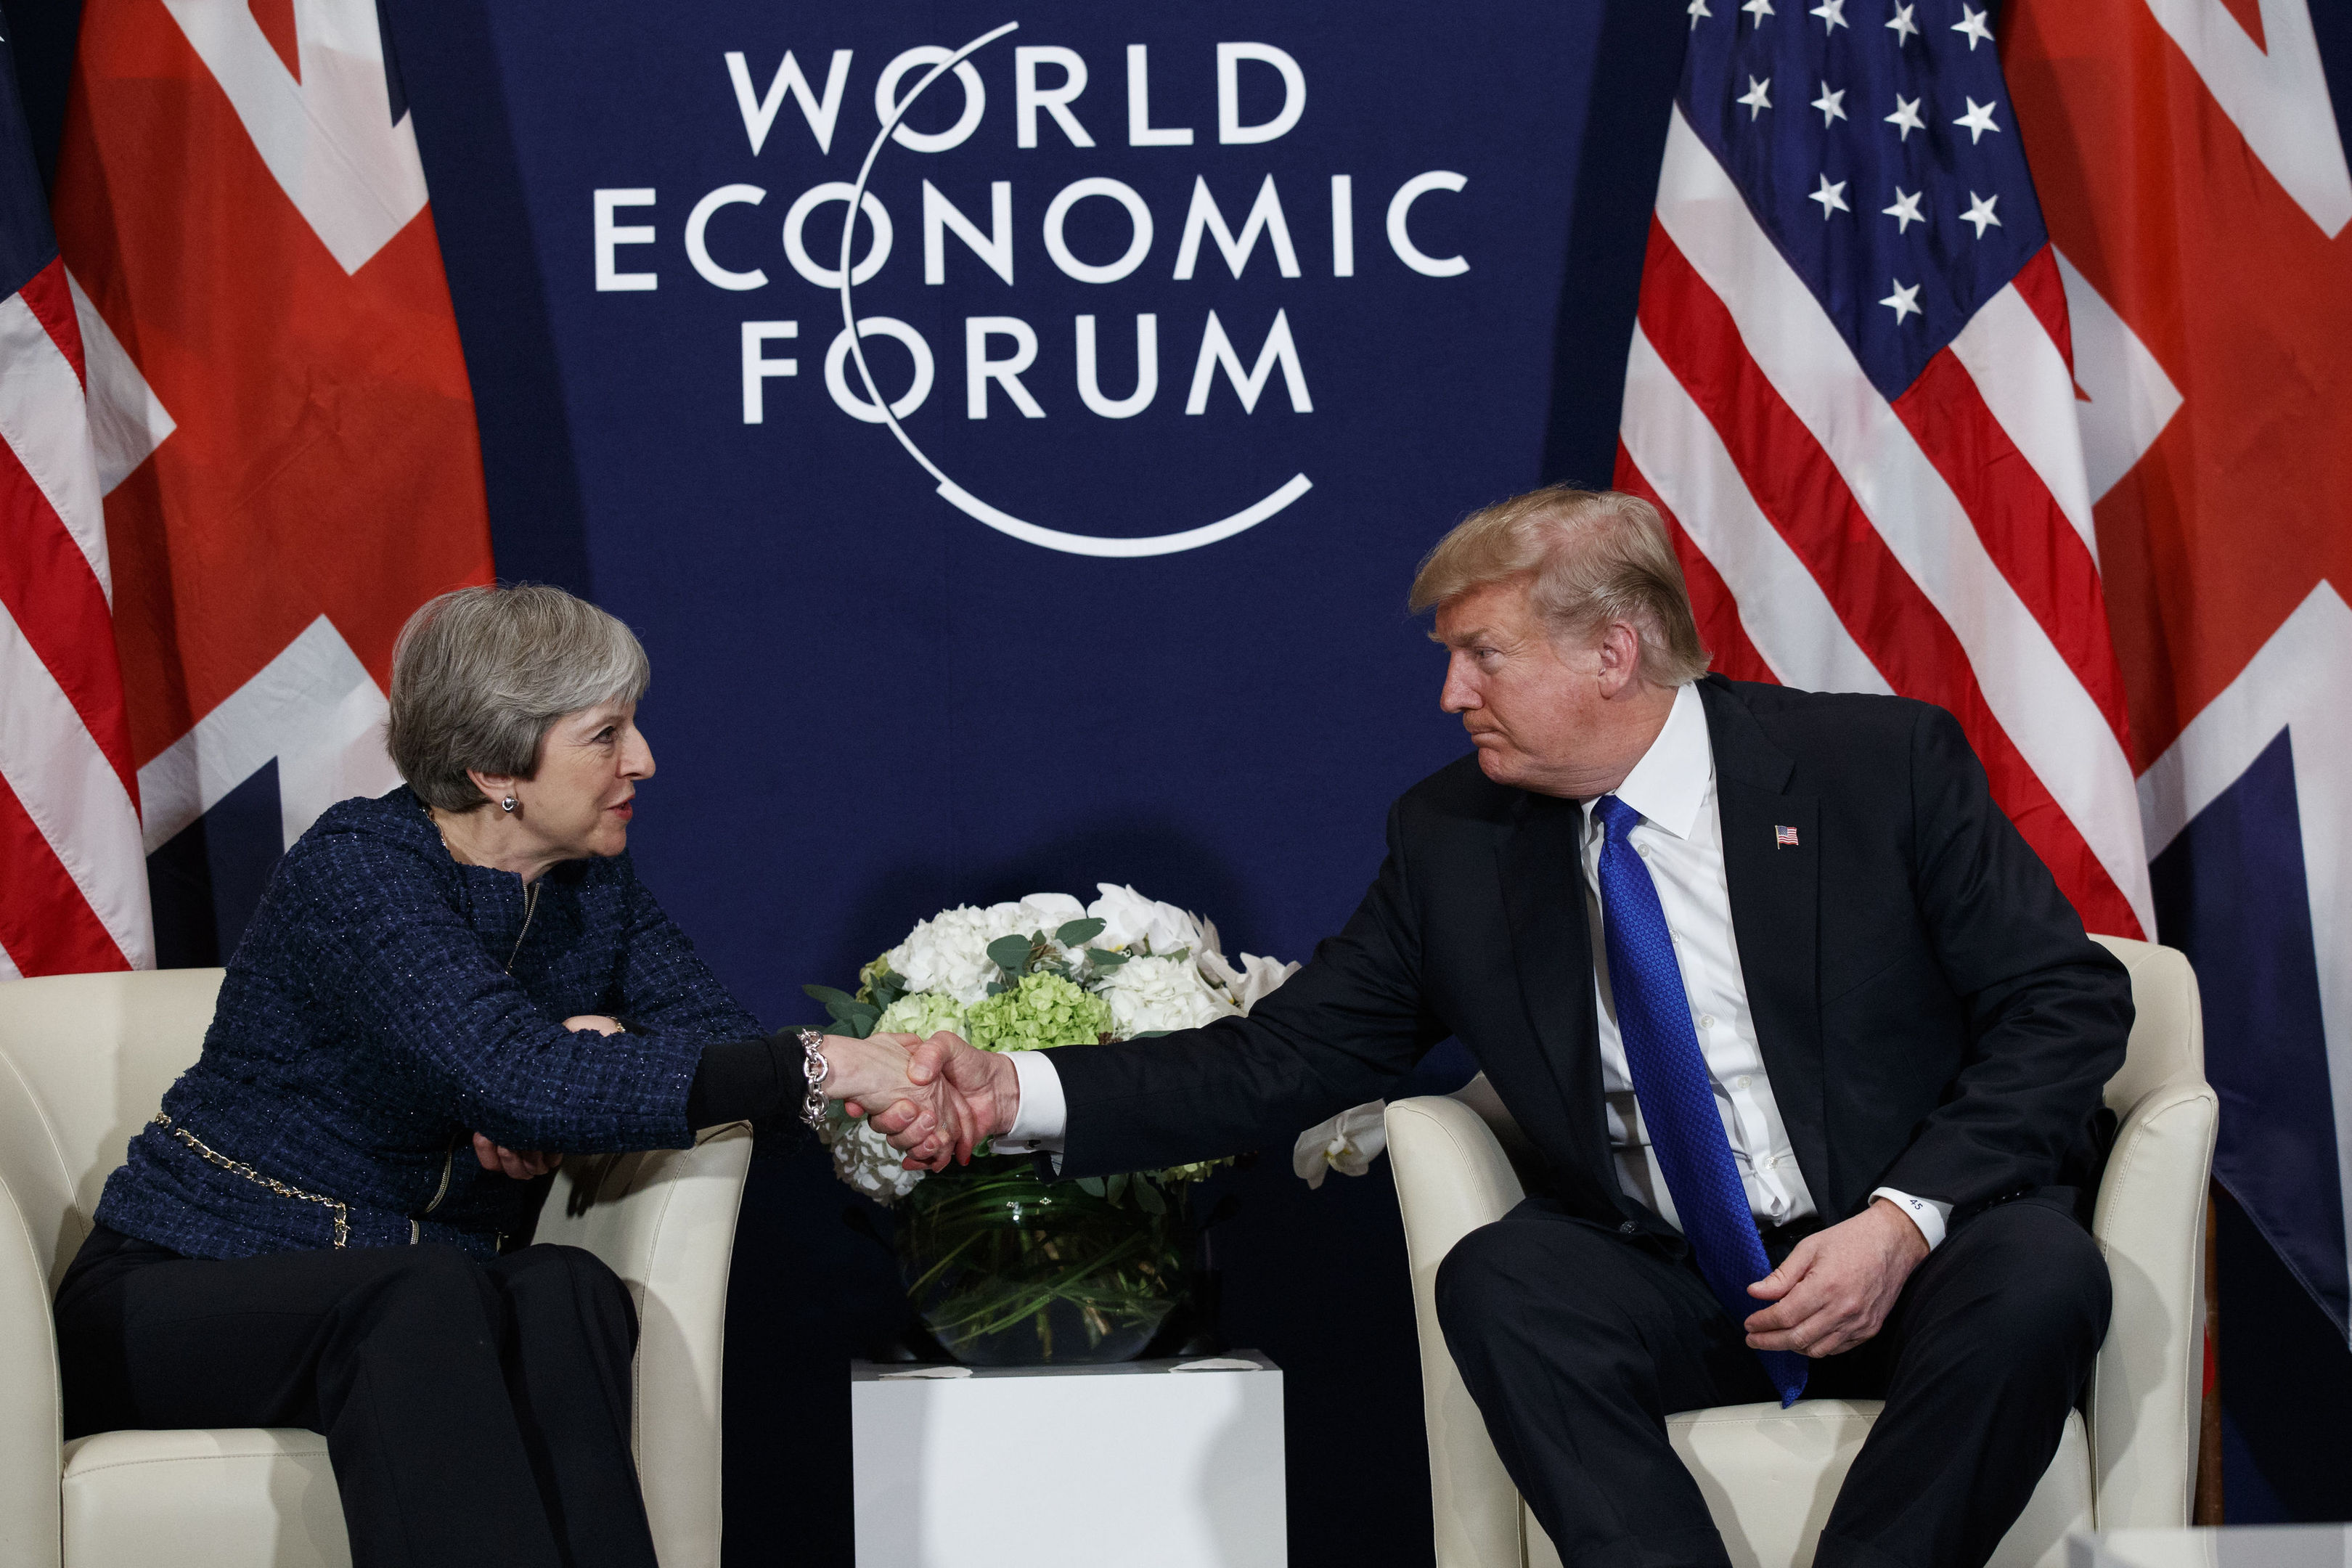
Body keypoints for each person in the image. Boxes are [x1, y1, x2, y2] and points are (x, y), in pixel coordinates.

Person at [862, 486, 2133, 1568]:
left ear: (1613, 653)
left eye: (1482, 654)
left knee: (2039, 1275)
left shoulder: (1875, 768)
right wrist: (1006, 1094)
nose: (1450, 694)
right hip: (1681, 1278)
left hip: (1899, 1252)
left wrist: (1903, 1222)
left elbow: (2066, 1000)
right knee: (1500, 1276)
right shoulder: (1455, 842)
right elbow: (1281, 1057)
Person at [56, 584, 953, 1568]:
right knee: (425, 1295)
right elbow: (517, 1077)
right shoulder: (360, 869)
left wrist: (603, 1047)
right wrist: (818, 1060)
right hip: (181, 1291)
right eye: (605, 735)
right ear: (496, 769)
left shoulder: (591, 891)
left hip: (424, 1297)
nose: (643, 761)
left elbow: (734, 1073)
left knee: (566, 1290)